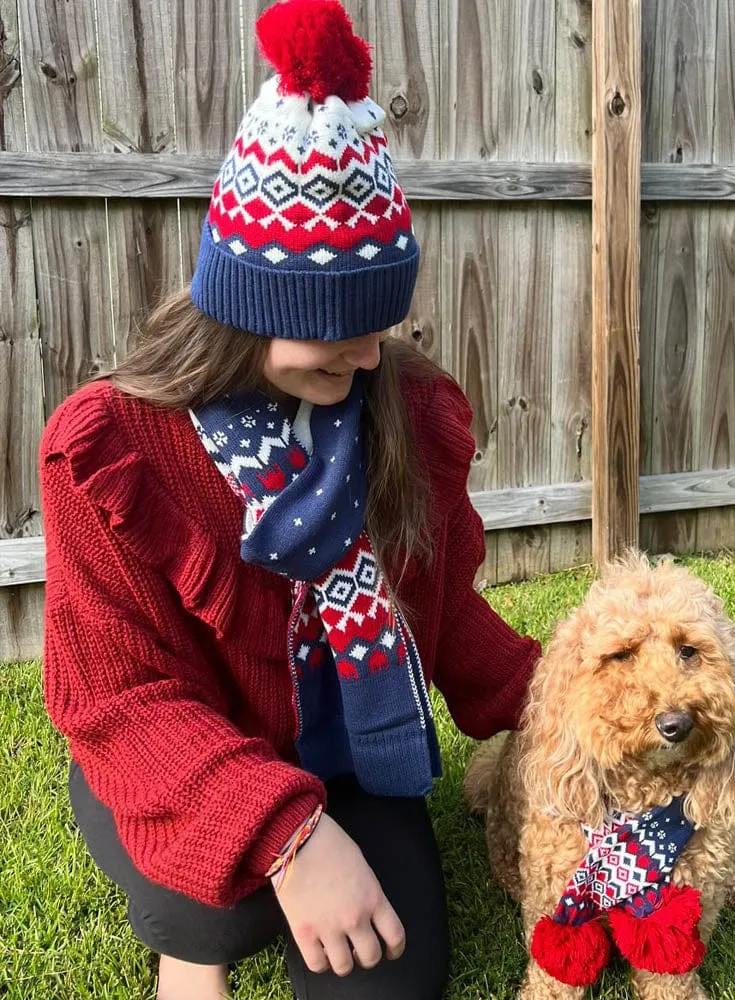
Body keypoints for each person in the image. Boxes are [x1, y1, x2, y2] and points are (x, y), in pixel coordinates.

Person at [38, 2, 540, 998]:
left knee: (391, 984)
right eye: (334, 331)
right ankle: (191, 945)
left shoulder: (412, 411)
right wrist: (289, 837)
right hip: (183, 754)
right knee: (218, 902)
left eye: (379, 325)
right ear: (246, 309)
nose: (365, 359)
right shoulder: (108, 450)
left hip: (349, 761)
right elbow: (122, 697)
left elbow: (440, 615)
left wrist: (571, 697)